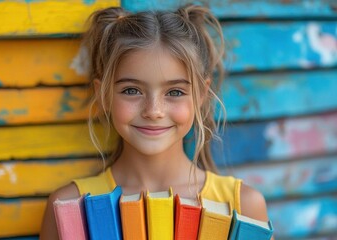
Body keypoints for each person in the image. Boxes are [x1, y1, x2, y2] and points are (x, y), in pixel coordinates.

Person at [40, 4, 272, 239]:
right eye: (131, 90)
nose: (154, 111)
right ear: (104, 95)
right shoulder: (69, 208)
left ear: (201, 95)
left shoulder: (242, 206)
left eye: (175, 92)